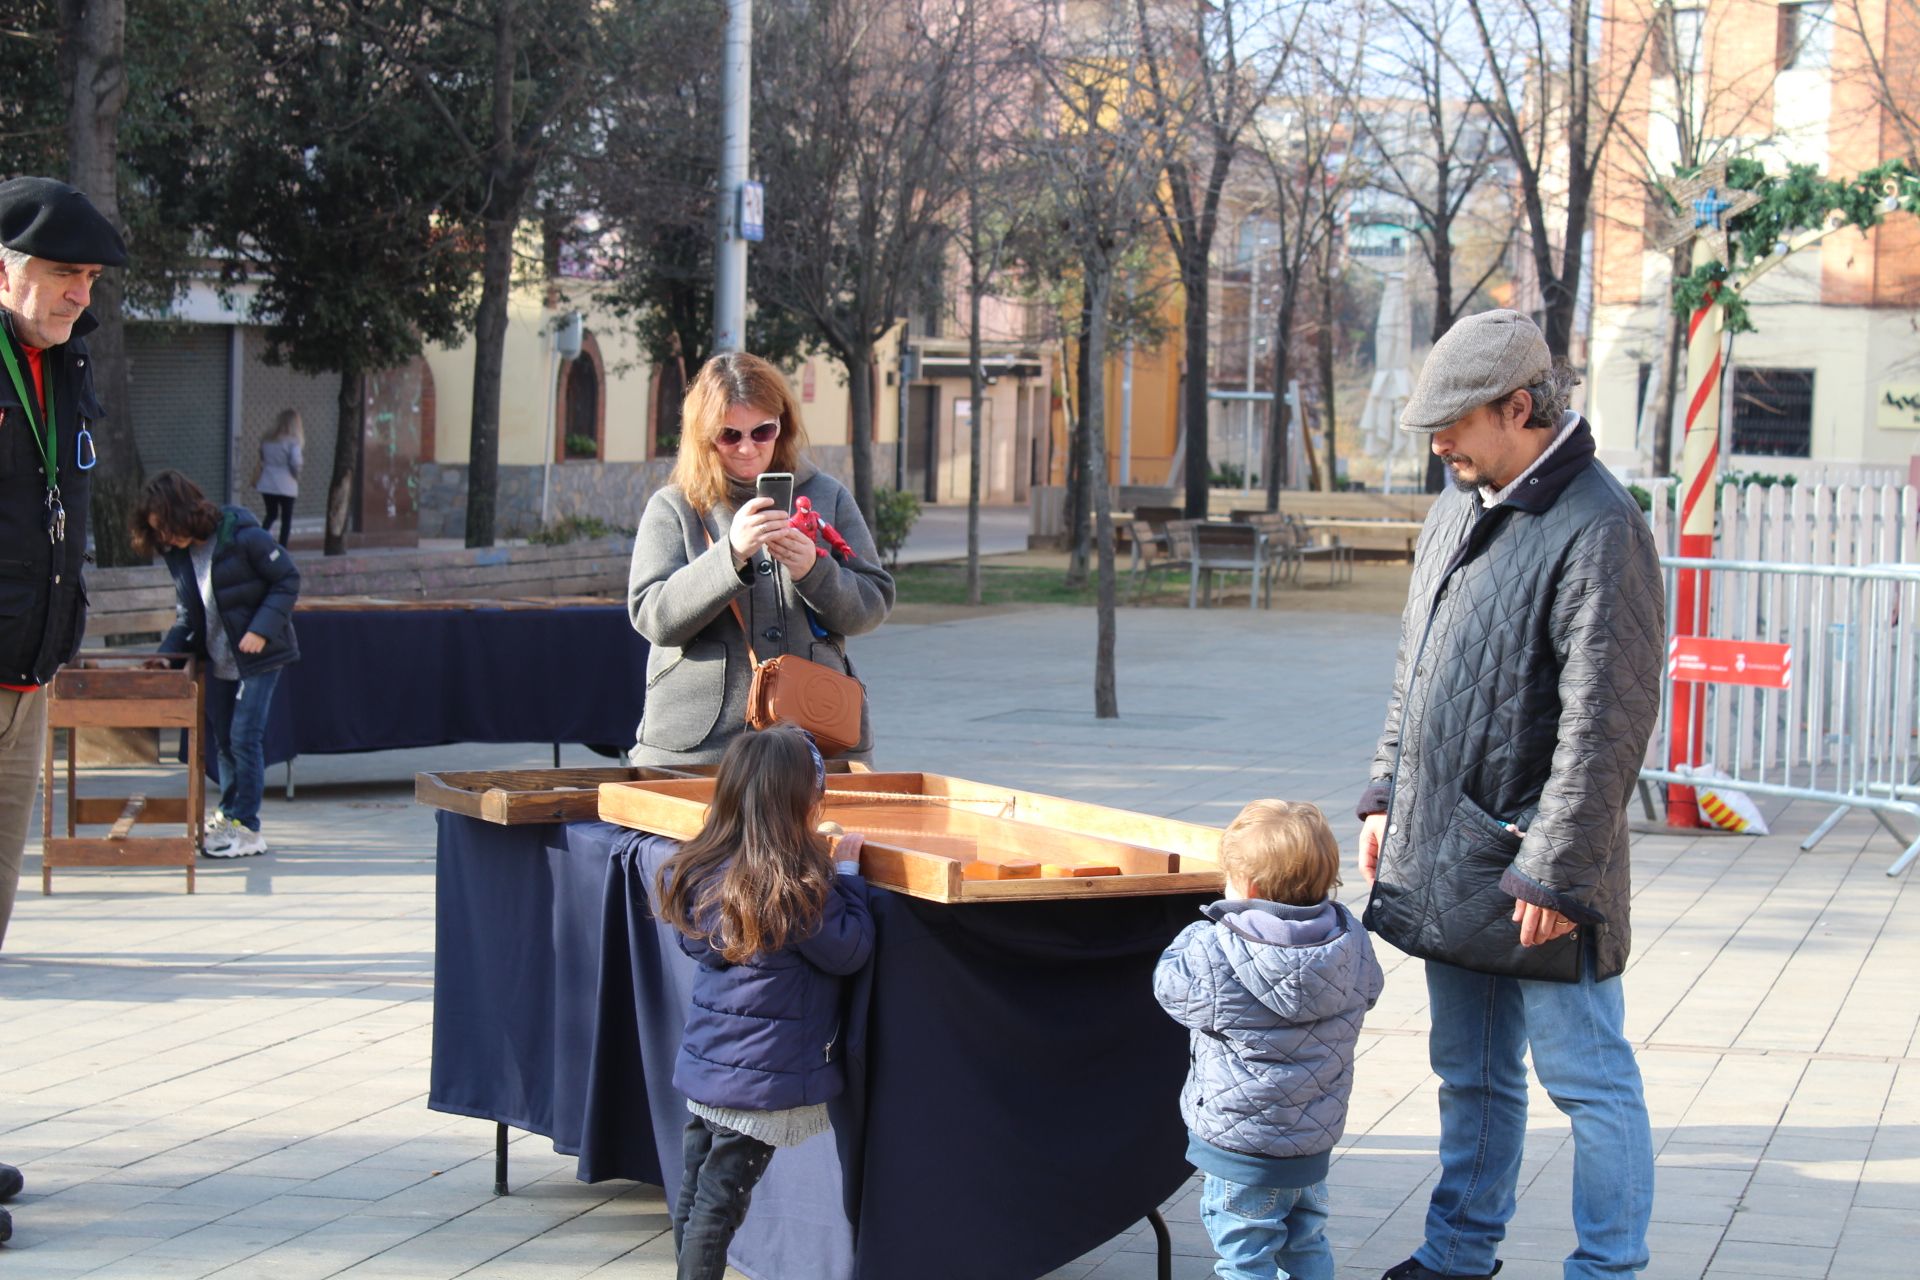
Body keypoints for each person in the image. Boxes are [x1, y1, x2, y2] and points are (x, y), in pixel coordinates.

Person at [1354, 310, 1664, 1280]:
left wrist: (1556, 867)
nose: (1438, 441)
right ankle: (1457, 1252)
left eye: (1455, 421)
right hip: (1452, 850)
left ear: (1518, 407)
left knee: (1590, 1081)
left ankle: (1608, 1268)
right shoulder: (1460, 497)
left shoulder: (1603, 524)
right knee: (1470, 1074)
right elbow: (1420, 662)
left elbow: (1606, 720)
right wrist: (1384, 791)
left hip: (1540, 872)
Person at [0, 175, 127, 1245]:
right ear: (6, 264)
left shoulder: (66, 366)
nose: (76, 293)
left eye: (86, 278)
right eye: (59, 273)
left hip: (25, 684)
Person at [653, 725, 873, 1280]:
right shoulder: (793, 887)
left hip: (712, 1063)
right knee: (721, 1202)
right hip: (761, 1074)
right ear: (801, 803)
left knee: (698, 1189)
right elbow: (849, 951)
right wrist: (847, 877)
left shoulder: (706, 869)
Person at [627, 352, 894, 766]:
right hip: (703, 747)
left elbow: (871, 607)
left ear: (782, 426)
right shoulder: (675, 506)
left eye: (762, 431)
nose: (748, 448)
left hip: (816, 739)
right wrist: (729, 555)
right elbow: (653, 618)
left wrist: (814, 570)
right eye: (729, 435)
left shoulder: (828, 495)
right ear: (704, 436)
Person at [1155, 801, 1384, 1280]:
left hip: (1240, 1149)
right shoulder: (1352, 940)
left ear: (1249, 888)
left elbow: (1169, 989)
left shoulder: (1213, 946)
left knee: (1245, 1260)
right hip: (1310, 1144)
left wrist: (1199, 929)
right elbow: (1372, 991)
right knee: (1305, 1245)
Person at [132, 470, 301, 859]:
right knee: (224, 742)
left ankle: (249, 828)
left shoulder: (242, 534)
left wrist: (260, 629)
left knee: (245, 738)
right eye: (157, 532)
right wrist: (166, 656)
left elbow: (287, 579)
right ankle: (228, 814)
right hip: (220, 660)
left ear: (183, 512)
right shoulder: (179, 556)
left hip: (260, 655)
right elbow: (187, 617)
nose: (164, 538)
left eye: (166, 527)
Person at [254, 408, 303, 546]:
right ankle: (283, 548)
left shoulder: (267, 439)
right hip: (286, 484)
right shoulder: (293, 442)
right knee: (286, 519)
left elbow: (262, 458)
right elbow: (296, 462)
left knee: (271, 515)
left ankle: (258, 541)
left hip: (267, 482)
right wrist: (296, 475)